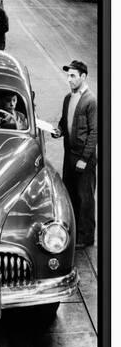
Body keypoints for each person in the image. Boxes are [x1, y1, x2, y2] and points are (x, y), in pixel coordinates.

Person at [52, 60, 97, 247]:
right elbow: (64, 122)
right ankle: (73, 231)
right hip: (68, 154)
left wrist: (84, 159)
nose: (69, 79)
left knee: (84, 197)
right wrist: (59, 131)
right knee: (69, 193)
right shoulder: (68, 98)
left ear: (83, 77)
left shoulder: (90, 100)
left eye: (73, 76)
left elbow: (95, 132)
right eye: (68, 75)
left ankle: (86, 237)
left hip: (83, 158)